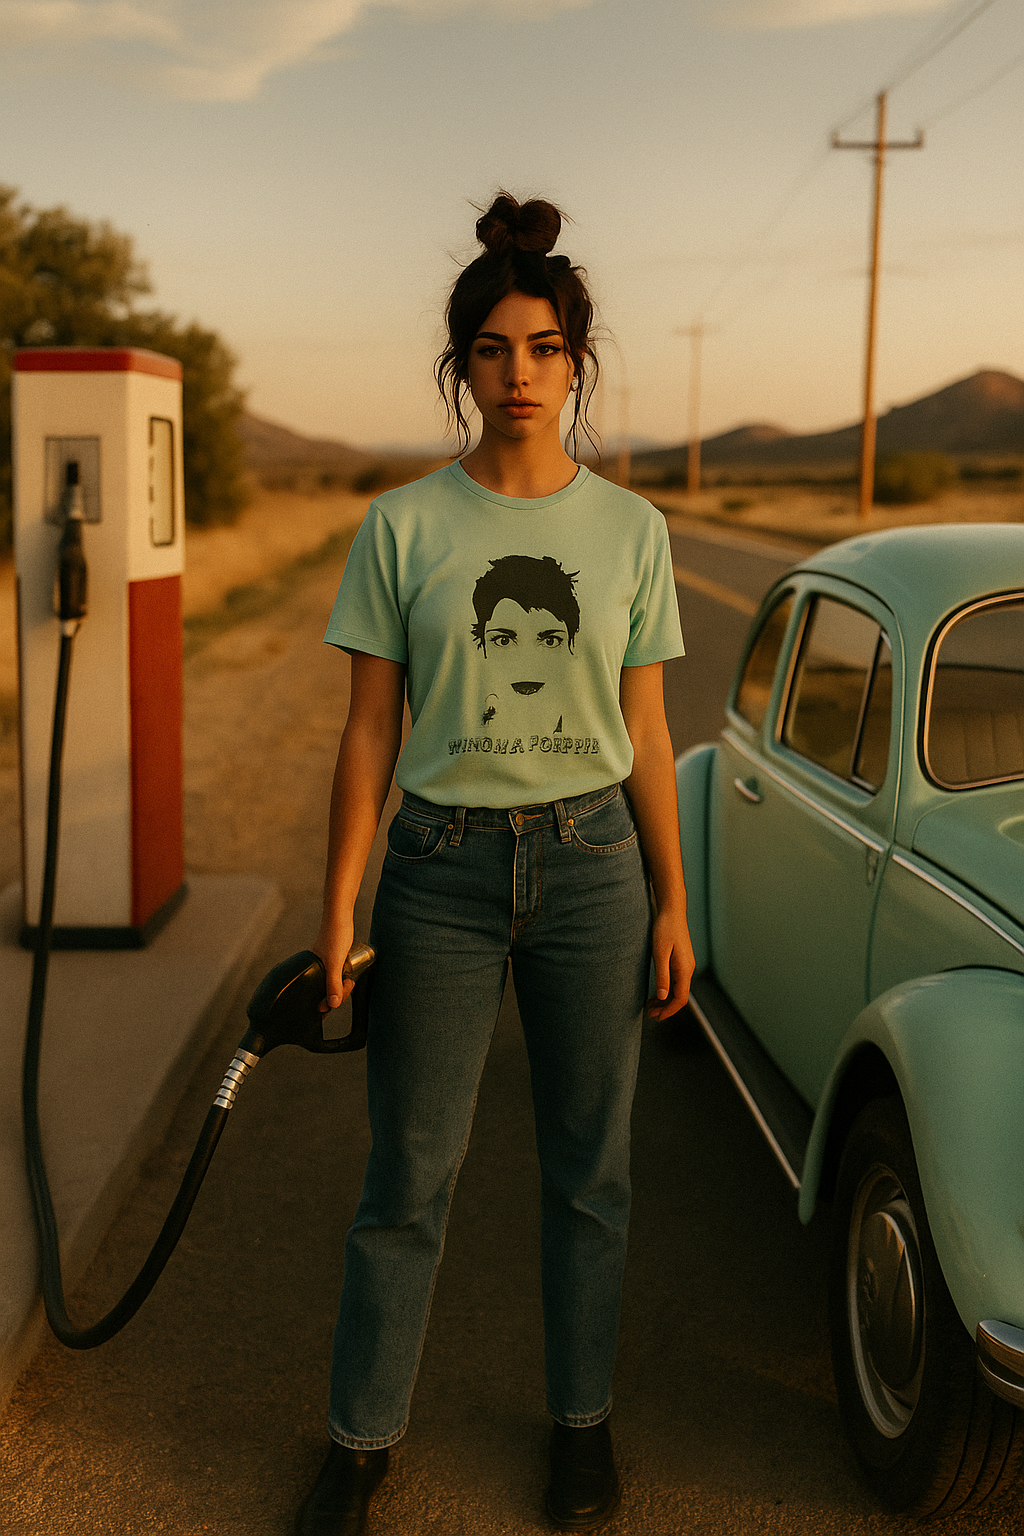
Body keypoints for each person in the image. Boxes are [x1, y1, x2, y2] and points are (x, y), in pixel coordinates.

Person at [296, 191, 694, 1536]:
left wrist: (674, 898)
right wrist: (341, 907)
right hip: (438, 867)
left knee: (592, 1171)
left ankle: (580, 1425)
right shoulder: (403, 528)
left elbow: (646, 732)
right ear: (460, 364)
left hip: (593, 868)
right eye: (491, 348)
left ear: (578, 363)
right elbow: (366, 737)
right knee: (409, 1175)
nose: (518, 373)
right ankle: (359, 1446)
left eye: (542, 348)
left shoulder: (633, 534)